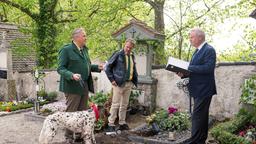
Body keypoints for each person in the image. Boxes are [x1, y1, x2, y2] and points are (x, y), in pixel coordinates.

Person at [57, 28, 103, 143]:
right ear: (76, 37)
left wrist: (98, 67)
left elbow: (87, 66)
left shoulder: (84, 50)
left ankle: (79, 135)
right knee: (71, 113)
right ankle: (68, 137)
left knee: (82, 112)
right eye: (84, 36)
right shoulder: (66, 50)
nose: (86, 38)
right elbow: (60, 68)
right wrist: (71, 75)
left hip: (84, 86)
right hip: (72, 87)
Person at [177, 28, 217, 144]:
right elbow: (194, 71)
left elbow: (208, 68)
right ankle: (199, 139)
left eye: (192, 37)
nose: (190, 39)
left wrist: (187, 67)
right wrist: (183, 74)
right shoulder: (197, 51)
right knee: (202, 116)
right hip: (198, 88)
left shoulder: (209, 50)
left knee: (197, 116)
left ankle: (195, 140)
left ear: (200, 37)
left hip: (204, 89)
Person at [105, 38, 138, 132]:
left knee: (124, 105)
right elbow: (107, 67)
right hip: (118, 83)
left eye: (130, 48)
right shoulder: (118, 54)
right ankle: (110, 124)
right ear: (124, 44)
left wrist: (134, 80)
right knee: (115, 104)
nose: (128, 49)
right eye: (127, 47)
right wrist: (112, 80)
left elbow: (133, 69)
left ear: (133, 48)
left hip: (129, 83)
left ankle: (122, 123)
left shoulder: (132, 56)